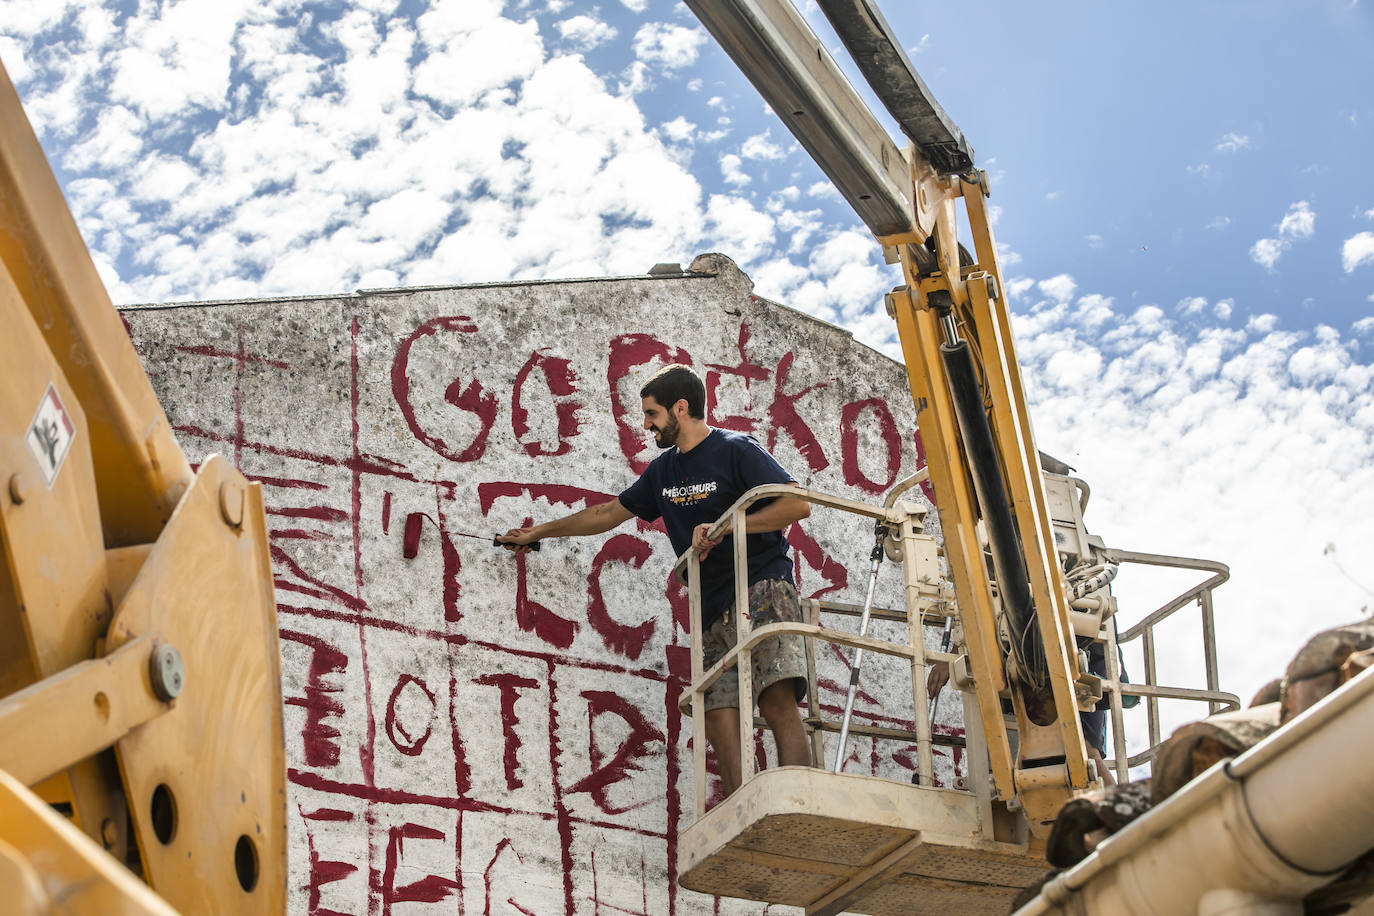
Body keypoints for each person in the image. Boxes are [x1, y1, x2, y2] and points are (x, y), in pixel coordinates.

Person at [497, 364, 814, 796]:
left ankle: (798, 799)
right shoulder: (663, 472)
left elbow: (796, 505)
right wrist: (538, 533)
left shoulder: (736, 449)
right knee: (717, 710)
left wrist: (726, 527)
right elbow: (607, 513)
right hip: (710, 601)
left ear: (679, 409)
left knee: (775, 698)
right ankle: (742, 809)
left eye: (651, 414)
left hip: (762, 585)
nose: (646, 425)